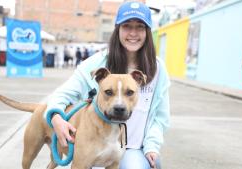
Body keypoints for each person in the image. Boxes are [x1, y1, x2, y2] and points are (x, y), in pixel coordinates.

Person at [45, 1, 170, 169]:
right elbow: (62, 95)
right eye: (127, 26)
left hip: (132, 147)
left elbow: (160, 118)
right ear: (117, 29)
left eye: (140, 27)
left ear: (147, 31)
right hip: (93, 143)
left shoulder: (158, 69)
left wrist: (152, 146)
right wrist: (56, 117)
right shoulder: (97, 63)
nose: (133, 33)